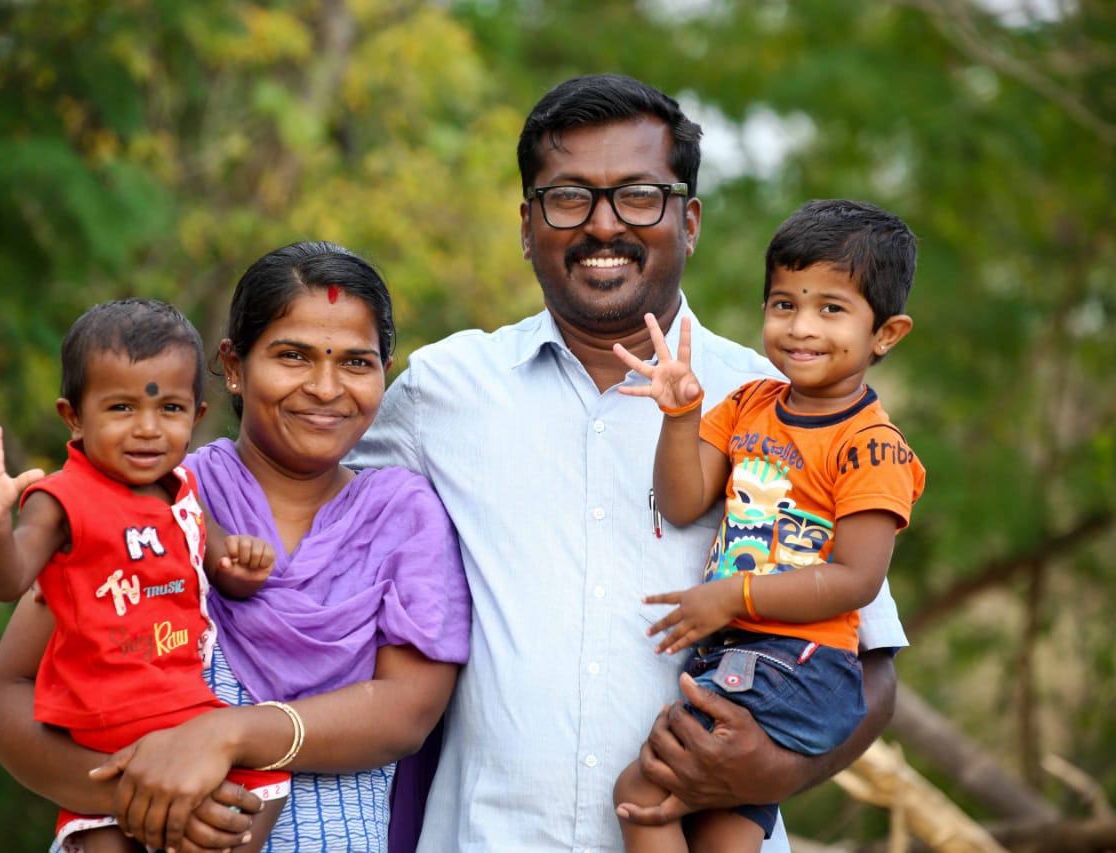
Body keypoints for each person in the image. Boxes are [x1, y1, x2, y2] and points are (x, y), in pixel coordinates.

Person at [348, 74, 910, 851]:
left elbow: (873, 670)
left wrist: (775, 773)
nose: (603, 225)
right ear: (526, 223)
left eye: (640, 195)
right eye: (568, 196)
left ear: (691, 220)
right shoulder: (443, 390)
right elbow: (300, 505)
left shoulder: (781, 400)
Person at [0, 242, 471, 853]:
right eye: (293, 356)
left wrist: (226, 736)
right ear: (233, 366)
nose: (325, 387)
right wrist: (138, 799)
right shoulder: (152, 497)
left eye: (358, 364)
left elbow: (405, 712)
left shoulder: (405, 516)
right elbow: (2, 702)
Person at [609, 199, 925, 852]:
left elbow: (858, 578)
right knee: (723, 833)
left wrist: (732, 595)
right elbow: (682, 500)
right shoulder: (750, 404)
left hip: (797, 666)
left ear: (886, 333)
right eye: (784, 304)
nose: (801, 327)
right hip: (746, 660)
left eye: (830, 309)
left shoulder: (872, 446)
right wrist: (680, 416)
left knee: (641, 793)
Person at [0, 298, 288, 853]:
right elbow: (8, 580)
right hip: (105, 711)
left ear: (196, 416)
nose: (148, 430)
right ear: (74, 416)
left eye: (170, 409)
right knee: (109, 831)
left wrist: (245, 562)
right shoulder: (62, 500)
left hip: (180, 707)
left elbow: (224, 571)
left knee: (265, 781)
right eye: (122, 409)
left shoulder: (183, 495)